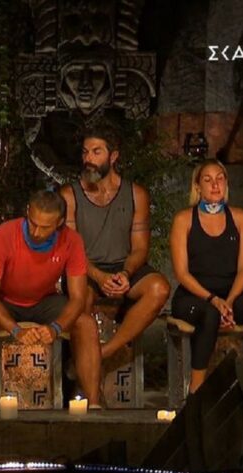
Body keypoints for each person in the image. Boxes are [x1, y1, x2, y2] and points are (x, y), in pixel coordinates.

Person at [0, 190, 102, 409]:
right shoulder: (5, 234)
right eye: (33, 223)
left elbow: (78, 298)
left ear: (60, 223)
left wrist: (56, 328)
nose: (36, 232)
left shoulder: (72, 240)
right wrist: (15, 330)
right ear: (27, 212)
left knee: (86, 324)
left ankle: (94, 405)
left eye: (45, 227)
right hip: (5, 301)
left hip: (44, 301)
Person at [60, 127, 170, 359]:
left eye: (96, 152)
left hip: (123, 267)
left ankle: (105, 353)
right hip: (85, 268)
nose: (88, 159)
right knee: (82, 298)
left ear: (113, 156)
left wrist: (126, 274)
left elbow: (140, 248)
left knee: (159, 288)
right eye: (85, 152)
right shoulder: (69, 195)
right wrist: (99, 276)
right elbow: (71, 251)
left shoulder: (136, 194)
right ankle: (81, 365)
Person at [169, 159, 243, 393]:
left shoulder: (241, 218)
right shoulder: (184, 219)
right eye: (208, 180)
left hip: (230, 294)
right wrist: (214, 300)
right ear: (197, 187)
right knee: (210, 314)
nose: (215, 185)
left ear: (226, 184)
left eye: (220, 179)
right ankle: (196, 392)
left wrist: (229, 302)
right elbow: (181, 273)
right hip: (193, 296)